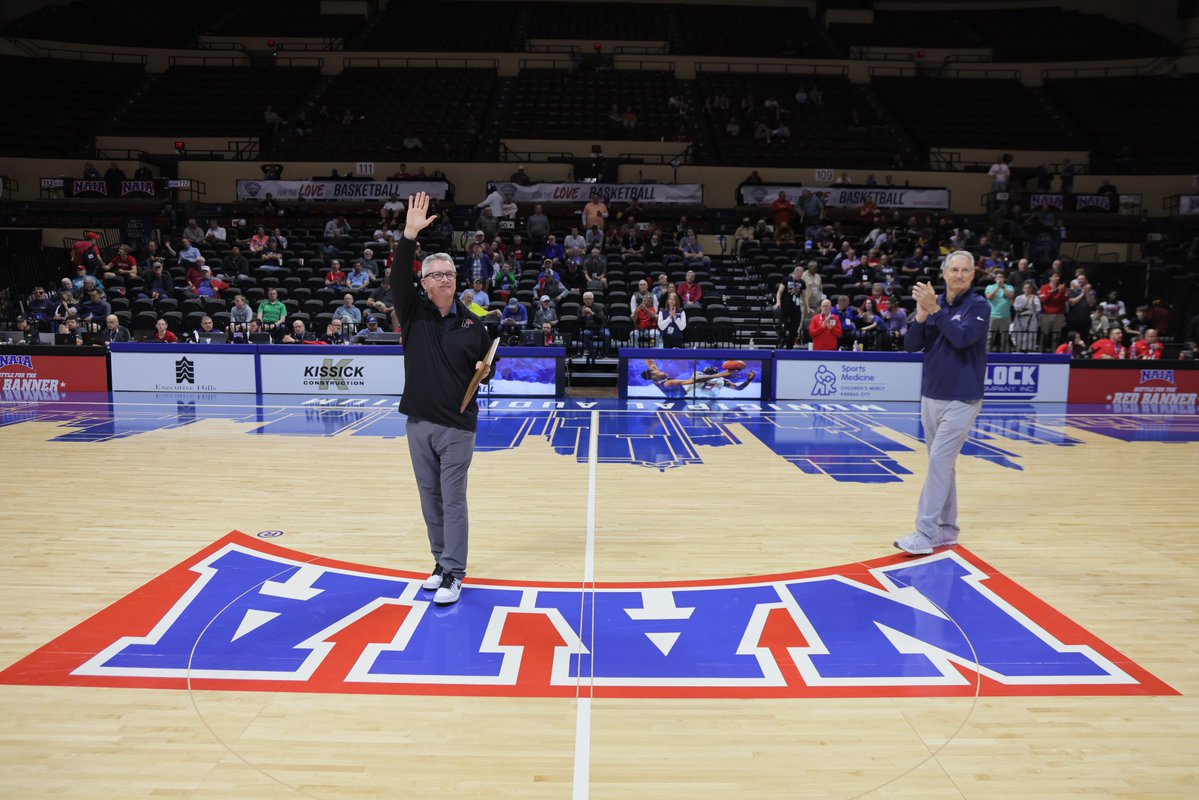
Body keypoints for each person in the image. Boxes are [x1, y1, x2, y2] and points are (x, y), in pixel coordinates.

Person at [390, 192, 495, 606]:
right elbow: (398, 277)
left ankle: (455, 572)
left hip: (457, 426)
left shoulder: (475, 323)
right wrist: (409, 235)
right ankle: (440, 563)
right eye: (435, 274)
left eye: (449, 273)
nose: (444, 278)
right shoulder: (413, 313)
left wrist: (485, 372)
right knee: (429, 499)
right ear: (424, 282)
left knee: (453, 499)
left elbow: (488, 365)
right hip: (418, 423)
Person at [894, 251, 991, 556]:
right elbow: (911, 346)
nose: (960, 275)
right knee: (943, 467)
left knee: (939, 463)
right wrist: (922, 316)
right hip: (931, 395)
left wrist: (934, 310)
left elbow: (962, 339)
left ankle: (925, 533)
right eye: (955, 270)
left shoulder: (980, 306)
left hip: (963, 398)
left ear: (973, 275)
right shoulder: (935, 308)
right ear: (945, 273)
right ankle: (948, 530)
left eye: (966, 270)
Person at [774, 267, 805, 349]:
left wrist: (807, 306)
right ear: (796, 272)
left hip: (796, 307)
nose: (801, 276)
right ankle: (782, 340)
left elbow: (804, 296)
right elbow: (779, 292)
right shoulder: (786, 279)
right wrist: (778, 302)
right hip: (786, 306)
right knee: (782, 325)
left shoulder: (802, 282)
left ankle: (789, 346)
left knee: (794, 328)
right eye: (800, 274)